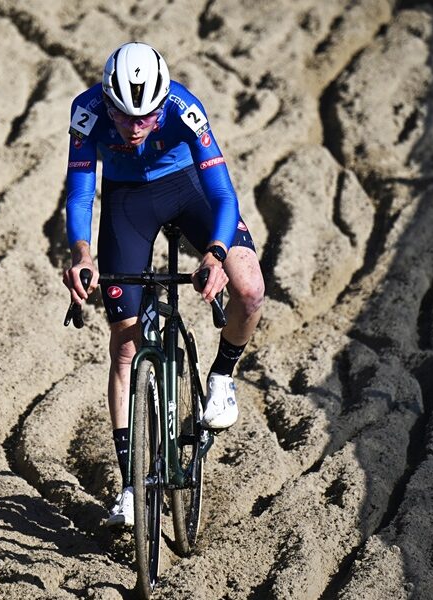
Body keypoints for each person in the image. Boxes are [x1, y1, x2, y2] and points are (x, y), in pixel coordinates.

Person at [62, 42, 265, 527]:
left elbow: (223, 193)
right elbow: (81, 192)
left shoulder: (184, 109)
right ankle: (131, 486)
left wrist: (216, 253)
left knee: (250, 289)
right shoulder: (86, 112)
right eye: (123, 116)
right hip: (128, 200)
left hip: (186, 188)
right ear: (106, 102)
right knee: (125, 345)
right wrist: (81, 254)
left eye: (146, 117)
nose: (134, 128)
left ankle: (222, 377)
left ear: (161, 105)